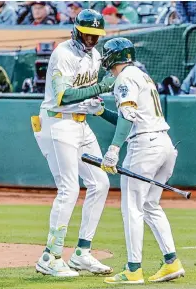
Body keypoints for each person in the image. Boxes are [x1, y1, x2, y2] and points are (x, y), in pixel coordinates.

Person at [32, 9, 115, 277]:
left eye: (96, 35)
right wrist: (99, 89)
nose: (92, 39)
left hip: (80, 123)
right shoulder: (63, 53)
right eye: (88, 33)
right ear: (77, 30)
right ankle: (51, 256)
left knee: (100, 183)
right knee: (68, 188)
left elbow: (87, 98)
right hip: (57, 122)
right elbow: (62, 96)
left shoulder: (94, 56)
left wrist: (97, 105)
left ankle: (82, 252)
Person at [98, 38, 185, 284]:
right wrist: (101, 111)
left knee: (132, 208)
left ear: (113, 57)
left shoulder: (124, 78)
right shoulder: (141, 75)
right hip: (164, 145)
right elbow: (132, 117)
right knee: (150, 206)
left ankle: (133, 269)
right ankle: (171, 262)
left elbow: (128, 117)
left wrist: (113, 149)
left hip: (144, 147)